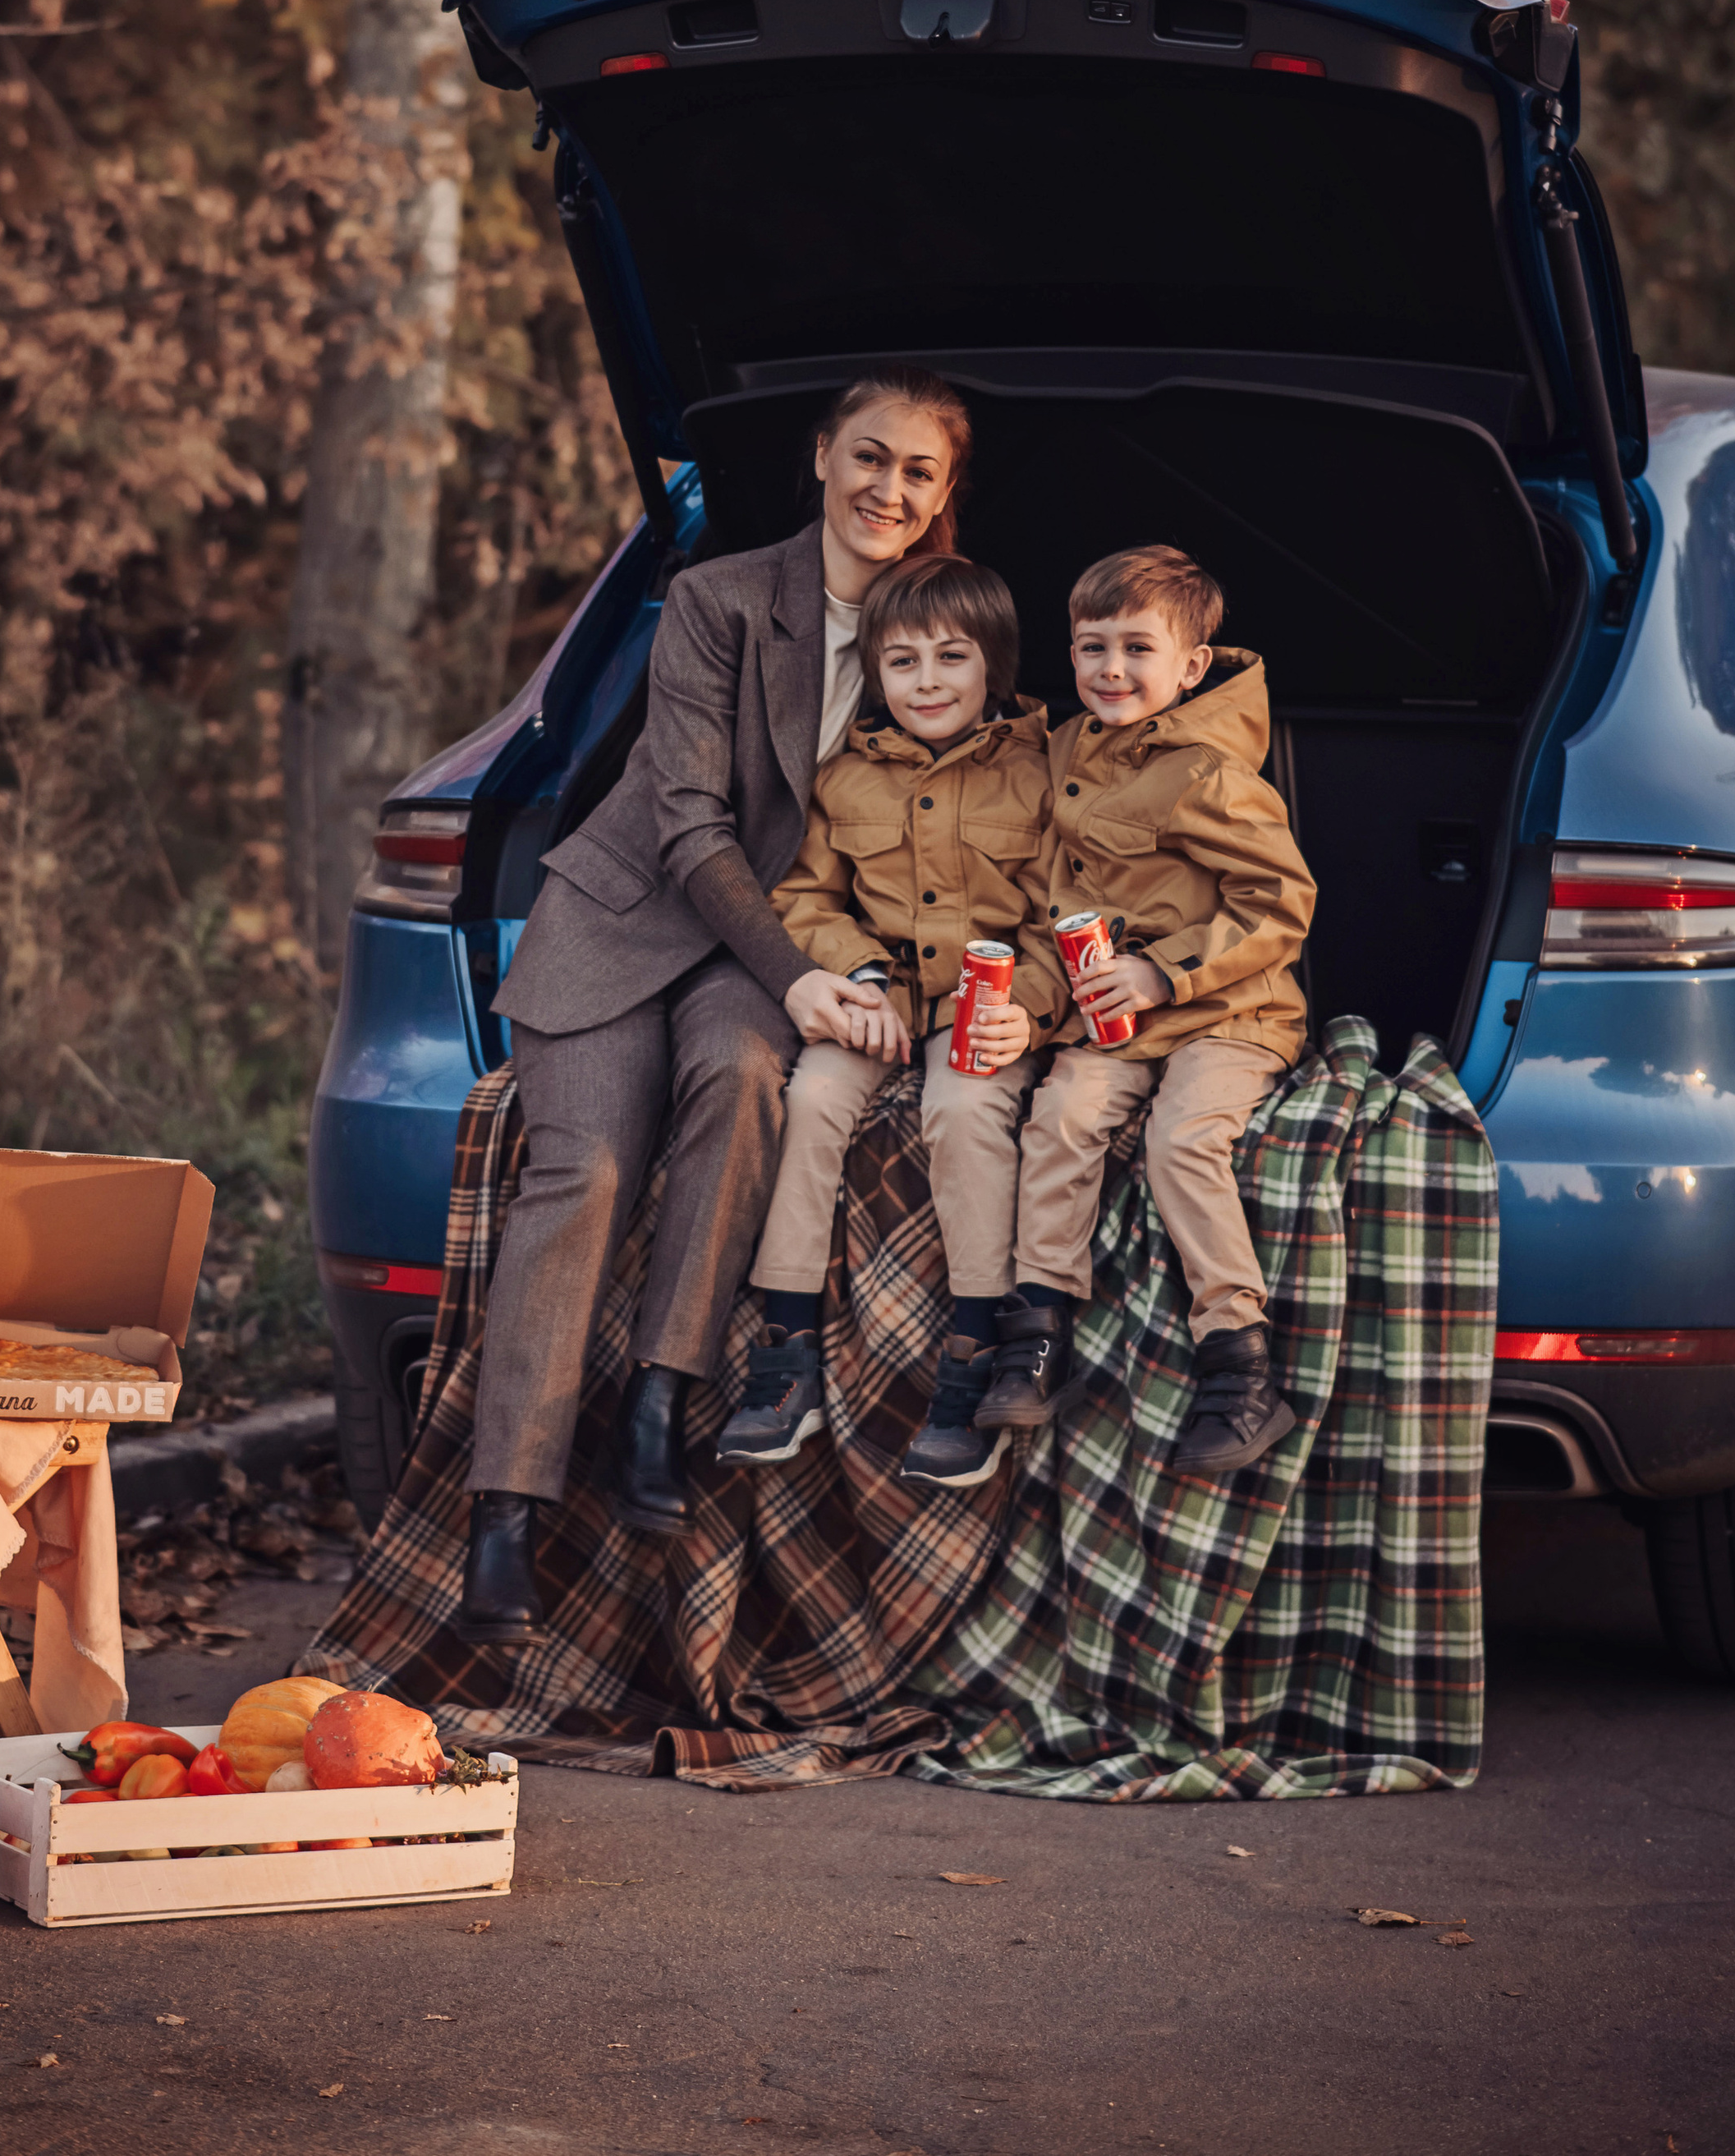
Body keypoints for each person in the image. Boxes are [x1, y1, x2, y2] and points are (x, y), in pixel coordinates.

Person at [458, 366, 975, 1644]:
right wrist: (803, 976)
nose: (888, 489)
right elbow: (690, 825)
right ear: (819, 455)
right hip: (632, 912)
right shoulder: (720, 598)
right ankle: (502, 1519)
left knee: (746, 1084)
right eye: (869, 457)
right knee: (579, 1172)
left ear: (945, 492)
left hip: (770, 948)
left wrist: (876, 970)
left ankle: (658, 1398)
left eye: (919, 471)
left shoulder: (946, 626)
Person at [714, 554, 1063, 1491]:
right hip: (880, 1000)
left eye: (951, 659)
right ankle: (785, 1355)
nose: (926, 683)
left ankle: (976, 1351)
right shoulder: (845, 776)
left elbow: (1062, 918)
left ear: (995, 663)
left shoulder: (1043, 772)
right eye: (901, 663)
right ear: (873, 673)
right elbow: (802, 896)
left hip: (981, 1010)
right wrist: (852, 971)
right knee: (814, 1095)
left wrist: (1024, 1012)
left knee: (963, 1109)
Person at [972, 543, 1317, 1478]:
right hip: (1111, 1017)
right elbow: (1054, 913)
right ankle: (1035, 1334)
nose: (1111, 671)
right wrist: (1039, 1011)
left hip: (1228, 1013)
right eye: (1091, 649)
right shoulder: (1068, 755)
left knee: (1182, 1140)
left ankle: (1238, 1365)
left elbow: (1281, 903)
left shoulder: (1209, 774)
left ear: (1191, 665)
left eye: (1136, 649)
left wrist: (1165, 973)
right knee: (1060, 1118)